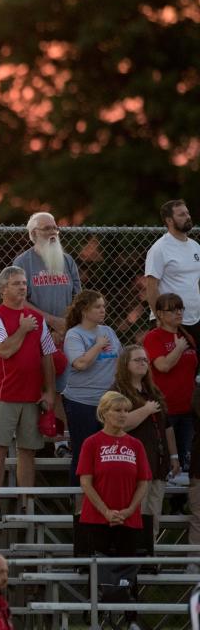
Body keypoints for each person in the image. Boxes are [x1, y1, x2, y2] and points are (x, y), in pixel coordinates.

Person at [0, 266, 56, 521]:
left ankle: (25, 502)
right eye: (16, 284)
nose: (22, 287)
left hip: (32, 395)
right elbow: (3, 350)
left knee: (28, 450)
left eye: (24, 283)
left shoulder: (37, 318)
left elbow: (47, 356)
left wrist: (49, 392)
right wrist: (23, 329)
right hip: (3, 394)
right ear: (3, 289)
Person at [75, 392, 150, 581]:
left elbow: (144, 481)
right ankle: (97, 612)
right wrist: (106, 511)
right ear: (104, 413)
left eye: (126, 410)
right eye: (117, 410)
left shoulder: (136, 444)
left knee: (127, 578)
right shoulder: (91, 443)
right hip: (96, 519)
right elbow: (85, 482)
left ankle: (130, 611)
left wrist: (130, 510)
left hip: (128, 519)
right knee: (99, 579)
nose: (123, 414)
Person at [112, 344, 176, 542]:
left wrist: (173, 456)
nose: (143, 363)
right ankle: (132, 562)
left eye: (145, 360)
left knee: (153, 515)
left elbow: (167, 426)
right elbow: (118, 424)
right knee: (135, 515)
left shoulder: (153, 391)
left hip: (157, 463)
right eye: (137, 360)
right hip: (132, 466)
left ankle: (149, 557)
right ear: (125, 364)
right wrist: (146, 410)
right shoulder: (117, 392)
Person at [62, 290, 121, 490]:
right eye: (98, 306)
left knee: (108, 452)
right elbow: (80, 364)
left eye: (104, 306)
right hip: (82, 403)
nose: (103, 310)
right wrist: (97, 346)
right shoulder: (74, 334)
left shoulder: (109, 332)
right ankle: (79, 502)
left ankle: (104, 497)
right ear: (84, 310)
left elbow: (120, 361)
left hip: (107, 403)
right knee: (84, 452)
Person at [143, 293, 197, 484]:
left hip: (188, 409)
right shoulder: (153, 337)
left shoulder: (186, 336)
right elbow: (163, 366)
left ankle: (181, 506)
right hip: (166, 409)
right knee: (168, 462)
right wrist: (179, 349)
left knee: (186, 460)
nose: (178, 313)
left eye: (180, 308)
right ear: (159, 313)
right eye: (172, 309)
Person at [12, 212, 82, 343]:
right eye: (47, 228)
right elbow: (18, 299)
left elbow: (78, 297)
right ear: (33, 234)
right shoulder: (22, 262)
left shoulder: (68, 260)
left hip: (67, 331)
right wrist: (51, 321)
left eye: (55, 228)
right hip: (35, 330)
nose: (53, 232)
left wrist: (67, 323)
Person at [145, 199, 200, 345]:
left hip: (195, 320)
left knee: (193, 366)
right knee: (170, 366)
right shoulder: (159, 248)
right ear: (169, 220)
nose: (187, 216)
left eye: (187, 213)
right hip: (169, 323)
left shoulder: (195, 247)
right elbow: (151, 287)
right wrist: (160, 318)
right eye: (181, 214)